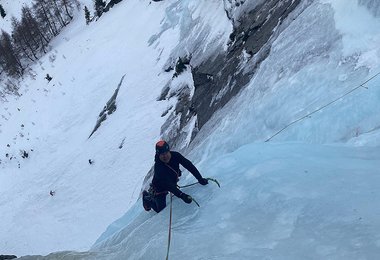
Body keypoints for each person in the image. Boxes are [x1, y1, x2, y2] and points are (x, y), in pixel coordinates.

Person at [142, 140, 208, 213]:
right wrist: (182, 195)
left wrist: (200, 178)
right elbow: (168, 185)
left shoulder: (176, 156)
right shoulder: (158, 168)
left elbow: (189, 165)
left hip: (171, 181)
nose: (165, 156)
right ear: (158, 155)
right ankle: (147, 198)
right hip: (159, 188)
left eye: (166, 152)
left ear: (169, 151)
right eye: (162, 154)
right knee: (160, 210)